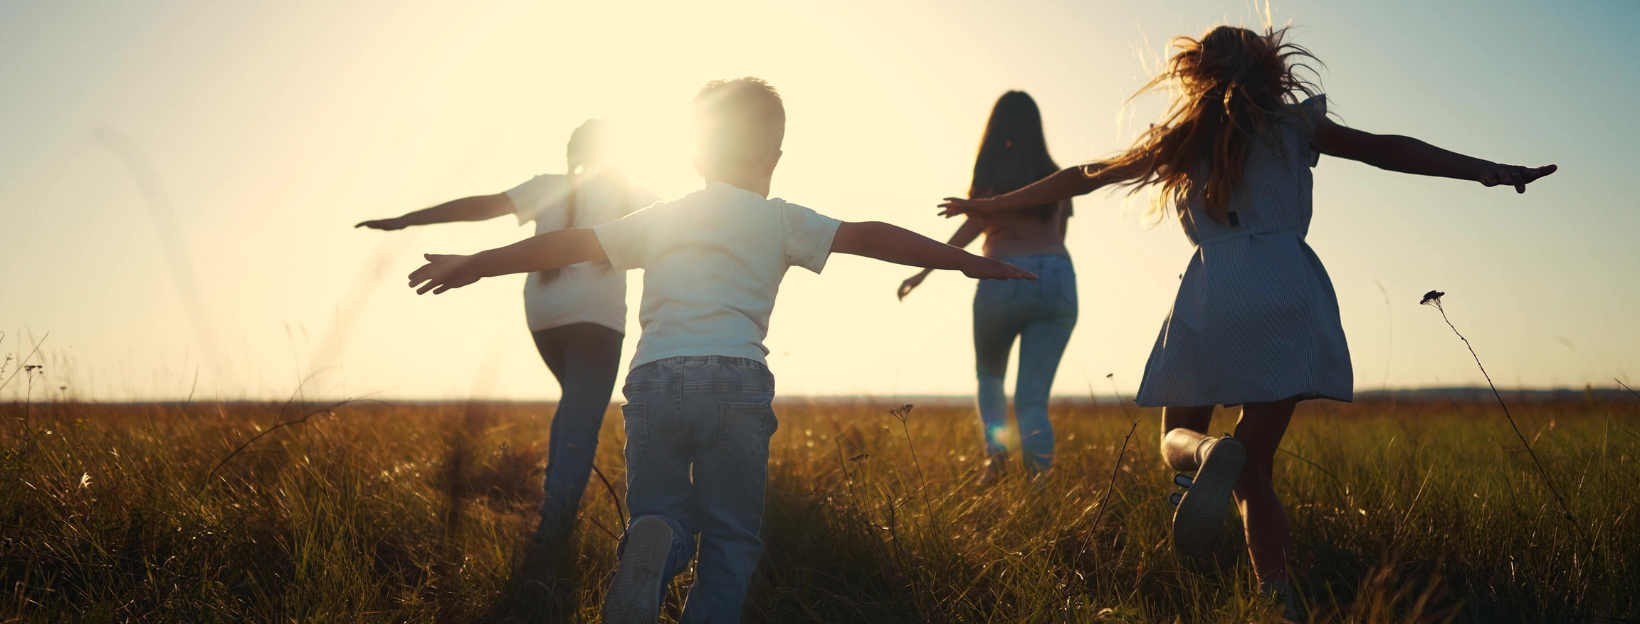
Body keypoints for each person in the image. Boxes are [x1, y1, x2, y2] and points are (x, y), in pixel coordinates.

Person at [937, 25, 1555, 620]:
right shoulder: (1297, 125)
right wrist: (1487, 169)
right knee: (1254, 469)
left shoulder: (1183, 137)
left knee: (1174, 441)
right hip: (1289, 285)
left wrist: (992, 203)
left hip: (1218, 288)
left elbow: (1086, 176)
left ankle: (1208, 453)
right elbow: (1391, 150)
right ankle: (1276, 600)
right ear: (1268, 67)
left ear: (1197, 74)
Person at [406, 77, 1037, 624]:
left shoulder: (662, 216)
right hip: (736, 382)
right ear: (776, 156)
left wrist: (478, 262)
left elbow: (568, 244)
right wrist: (962, 263)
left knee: (659, 514)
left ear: (695, 153)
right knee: (732, 539)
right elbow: (871, 236)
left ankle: (656, 541)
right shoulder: (781, 219)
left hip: (652, 384)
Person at [357, 120, 658, 549]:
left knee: (574, 406)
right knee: (580, 417)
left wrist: (407, 220)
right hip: (598, 321)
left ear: (573, 153)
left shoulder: (548, 187)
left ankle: (551, 518)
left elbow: (480, 206)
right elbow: (689, 225)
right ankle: (552, 536)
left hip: (544, 318)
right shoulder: (638, 198)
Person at [898, 91, 1075, 483]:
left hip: (1003, 275)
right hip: (1057, 278)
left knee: (991, 378)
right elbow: (1059, 235)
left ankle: (994, 463)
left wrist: (922, 272)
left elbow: (967, 232)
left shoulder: (994, 179)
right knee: (1033, 399)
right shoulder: (1056, 177)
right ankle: (1038, 485)